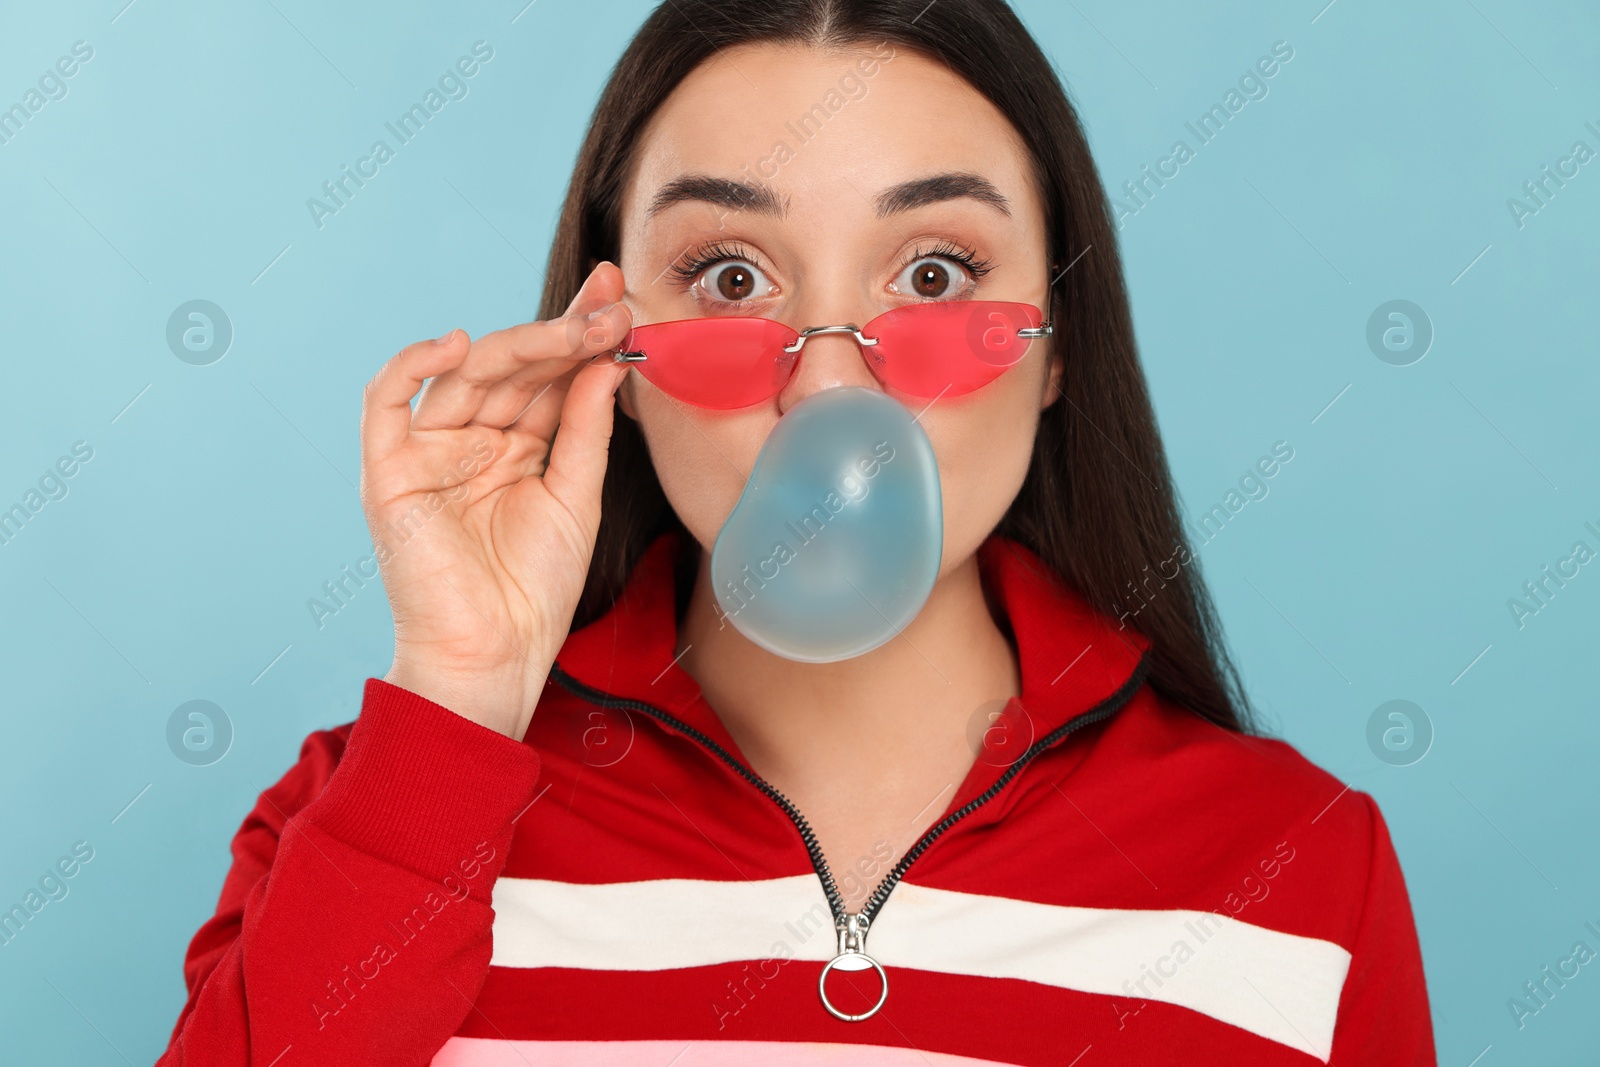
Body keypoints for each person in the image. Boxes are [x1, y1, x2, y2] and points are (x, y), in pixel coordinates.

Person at [156, 1, 1435, 1063]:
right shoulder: (371, 810)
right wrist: (460, 691)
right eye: (728, 276)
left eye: (933, 272)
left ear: (1058, 349)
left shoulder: (1301, 868)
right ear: (618, 348)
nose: (828, 388)